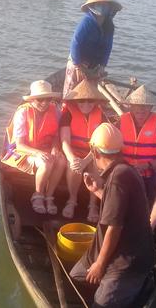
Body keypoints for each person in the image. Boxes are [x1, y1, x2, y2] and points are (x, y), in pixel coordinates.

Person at [70, 123, 155, 307]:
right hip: (111, 251)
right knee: (76, 276)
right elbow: (119, 206)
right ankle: (109, 286)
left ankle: (133, 285)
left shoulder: (118, 178)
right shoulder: (124, 170)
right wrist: (98, 191)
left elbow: (115, 228)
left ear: (94, 151)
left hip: (126, 261)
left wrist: (100, 265)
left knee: (102, 304)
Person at [1, 80, 66, 215]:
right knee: (46, 162)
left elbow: (55, 135)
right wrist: (37, 153)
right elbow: (20, 145)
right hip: (24, 150)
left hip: (45, 148)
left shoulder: (55, 111)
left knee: (61, 161)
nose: (44, 103)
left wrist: (55, 147)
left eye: (47, 99)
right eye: (39, 99)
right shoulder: (23, 113)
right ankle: (37, 195)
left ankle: (49, 196)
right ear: (32, 100)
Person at [119, 85, 156, 230]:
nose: (141, 110)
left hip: (153, 172)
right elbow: (111, 148)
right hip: (127, 170)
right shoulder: (120, 121)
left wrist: (147, 165)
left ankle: (150, 225)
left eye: (145, 106)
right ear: (131, 106)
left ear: (151, 107)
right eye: (137, 106)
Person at [60, 79, 107, 222]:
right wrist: (73, 158)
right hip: (74, 151)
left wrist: (86, 160)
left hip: (94, 153)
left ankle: (92, 204)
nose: (86, 105)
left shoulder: (101, 115)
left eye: (90, 101)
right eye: (81, 101)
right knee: (73, 166)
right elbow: (65, 141)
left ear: (95, 102)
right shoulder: (68, 113)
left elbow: (101, 144)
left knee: (96, 167)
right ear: (75, 101)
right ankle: (72, 199)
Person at [62, 0, 122, 97]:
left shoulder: (108, 25)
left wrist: (103, 65)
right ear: (94, 6)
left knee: (90, 92)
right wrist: (78, 65)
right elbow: (75, 43)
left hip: (94, 64)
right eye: (100, 4)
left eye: (106, 5)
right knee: (72, 92)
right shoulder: (87, 22)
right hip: (78, 61)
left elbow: (108, 47)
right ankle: (65, 110)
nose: (104, 8)